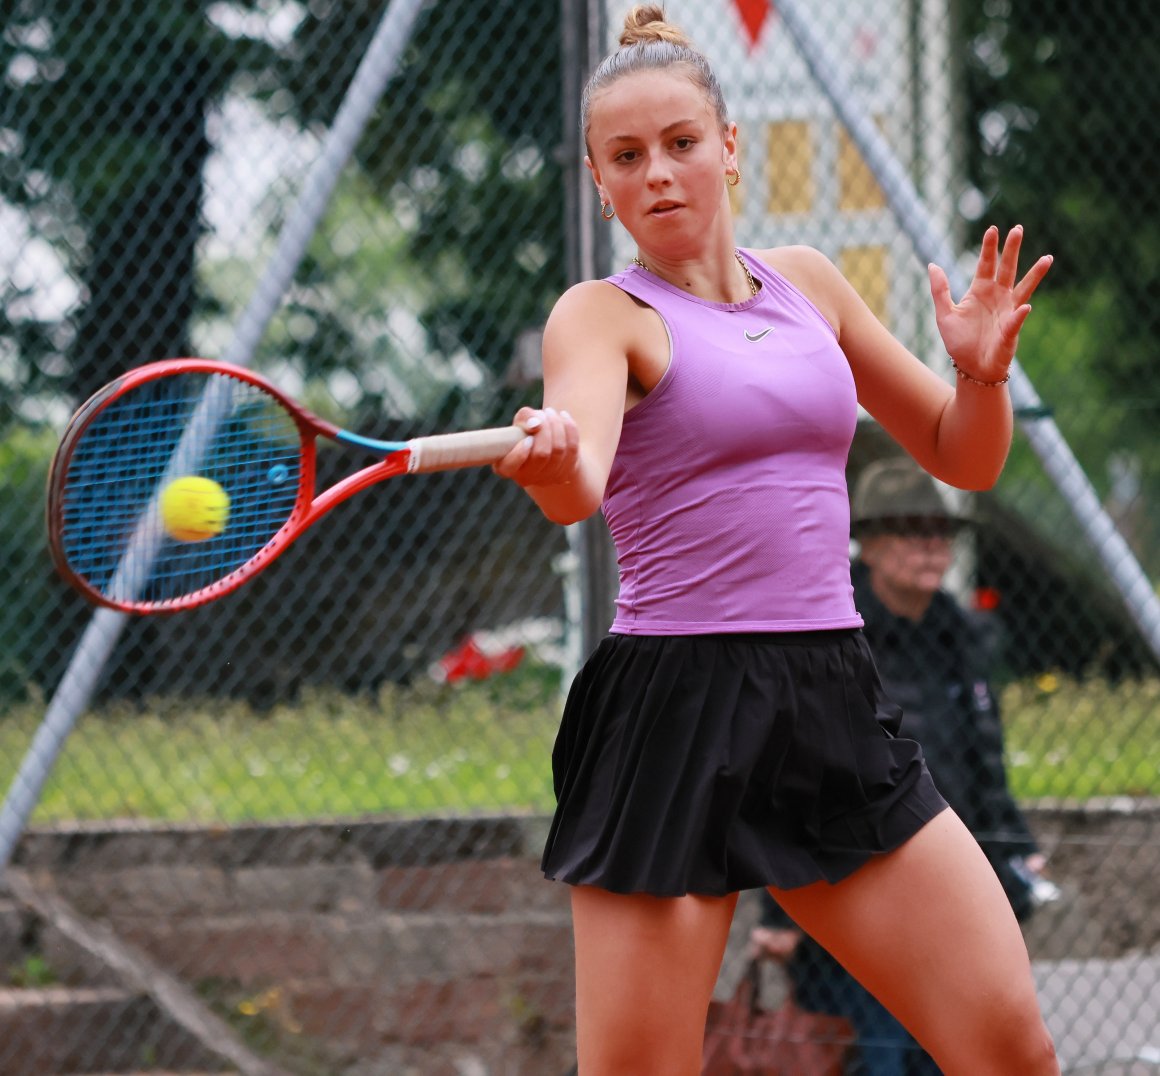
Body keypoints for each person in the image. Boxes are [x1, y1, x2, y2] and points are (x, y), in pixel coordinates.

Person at [492, 6, 1058, 1074]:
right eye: (626, 156)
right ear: (596, 179)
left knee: (1009, 1047)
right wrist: (551, 456)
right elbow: (580, 487)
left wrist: (979, 371)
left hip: (830, 691)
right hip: (672, 708)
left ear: (728, 147)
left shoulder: (810, 283)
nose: (656, 172)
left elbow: (962, 454)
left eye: (678, 143)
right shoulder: (600, 315)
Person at [751, 456, 1059, 1075]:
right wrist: (774, 910)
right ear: (870, 542)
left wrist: (1016, 844)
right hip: (857, 882)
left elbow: (983, 756)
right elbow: (785, 767)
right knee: (876, 1059)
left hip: (952, 884)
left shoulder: (962, 633)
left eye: (939, 532)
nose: (930, 545)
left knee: (953, 1055)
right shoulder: (835, 627)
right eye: (909, 530)